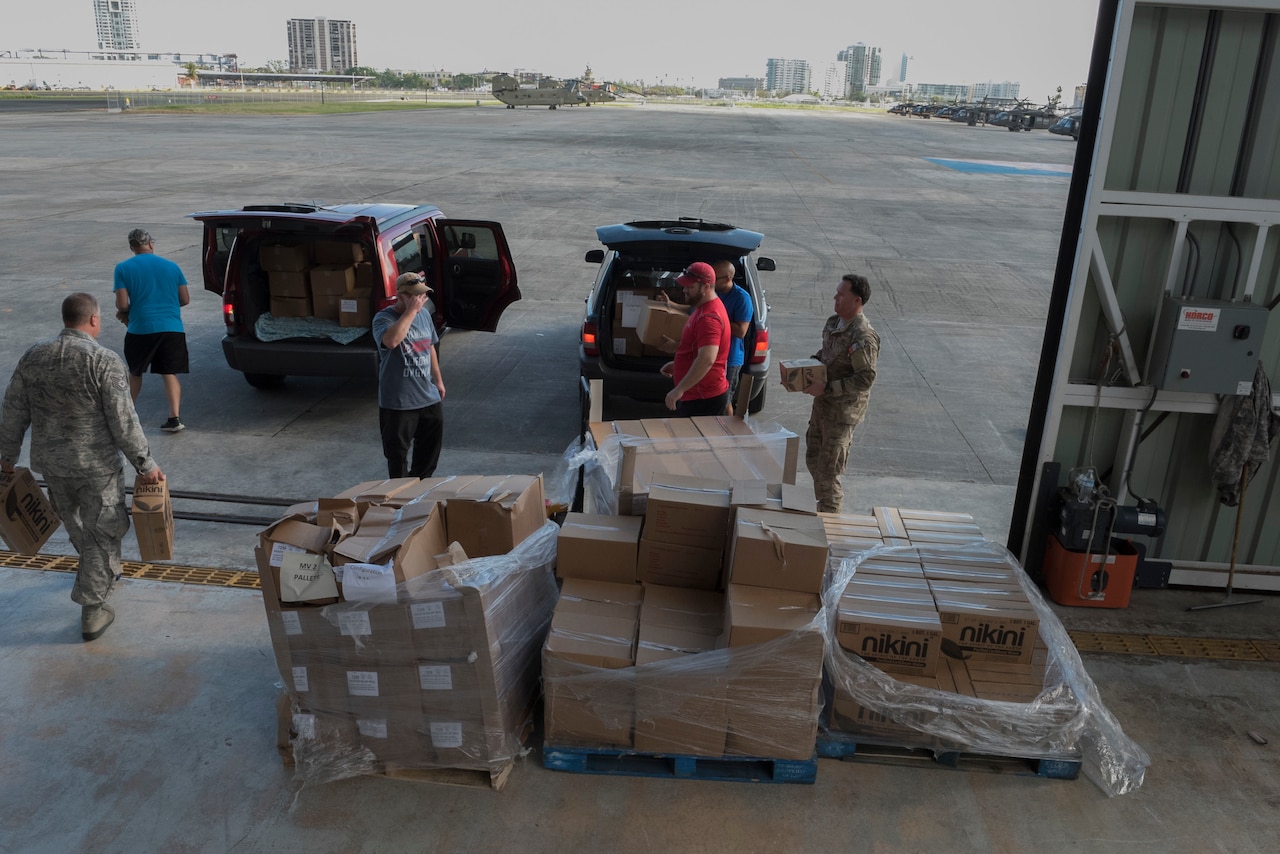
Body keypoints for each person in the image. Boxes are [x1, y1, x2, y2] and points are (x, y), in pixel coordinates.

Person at [0, 293, 165, 642]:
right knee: (104, 530)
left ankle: (101, 571)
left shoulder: (34, 356)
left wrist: (6, 457)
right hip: (95, 466)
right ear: (93, 320)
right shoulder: (103, 360)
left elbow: (13, 410)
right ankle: (93, 607)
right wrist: (145, 464)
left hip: (52, 465)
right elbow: (123, 421)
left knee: (76, 524)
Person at [794, 273, 880, 513]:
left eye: (842, 294)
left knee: (828, 470)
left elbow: (866, 378)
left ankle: (829, 519)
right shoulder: (834, 323)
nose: (836, 297)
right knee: (813, 459)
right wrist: (803, 370)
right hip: (823, 406)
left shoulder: (862, 336)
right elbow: (826, 356)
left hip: (841, 413)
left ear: (857, 301)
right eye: (837, 292)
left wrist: (828, 388)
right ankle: (824, 507)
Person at [113, 228, 191, 433]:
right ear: (151, 244)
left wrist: (125, 314)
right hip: (172, 328)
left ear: (132, 247)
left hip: (141, 329)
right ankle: (174, 418)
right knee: (169, 372)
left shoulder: (123, 268)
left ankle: (127, 419)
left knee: (135, 372)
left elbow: (122, 305)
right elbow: (184, 299)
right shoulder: (172, 267)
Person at [374, 272, 445, 478]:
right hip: (398, 402)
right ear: (401, 296)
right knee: (398, 459)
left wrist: (438, 381)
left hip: (427, 397)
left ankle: (419, 492)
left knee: (429, 454)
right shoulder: (383, 318)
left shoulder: (423, 315)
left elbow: (430, 346)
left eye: (422, 296)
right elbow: (391, 341)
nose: (420, 301)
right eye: (415, 297)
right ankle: (400, 499)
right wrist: (411, 312)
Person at [660, 260, 754, 412]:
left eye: (690, 287)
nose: (684, 290)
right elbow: (698, 350)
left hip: (702, 398)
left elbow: (707, 359)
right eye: (684, 286)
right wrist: (677, 364)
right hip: (698, 394)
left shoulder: (709, 318)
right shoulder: (704, 307)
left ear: (705, 287)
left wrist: (679, 389)